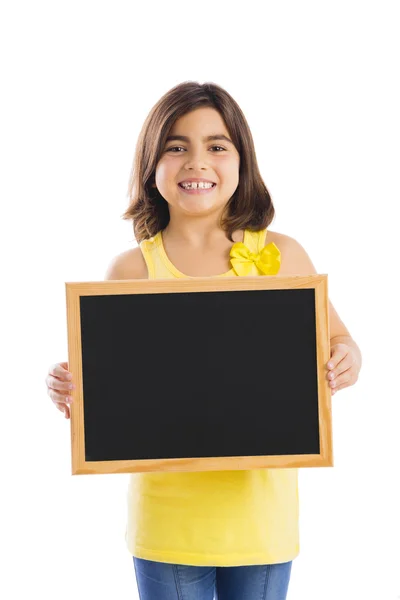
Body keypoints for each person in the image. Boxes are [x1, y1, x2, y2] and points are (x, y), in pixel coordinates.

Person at [45, 81, 362, 600]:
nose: (197, 162)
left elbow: (340, 341)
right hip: (168, 520)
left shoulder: (282, 255)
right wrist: (70, 390)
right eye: (176, 146)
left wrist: (347, 358)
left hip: (260, 517)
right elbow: (104, 390)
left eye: (217, 146)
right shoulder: (130, 270)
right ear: (152, 165)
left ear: (242, 161)